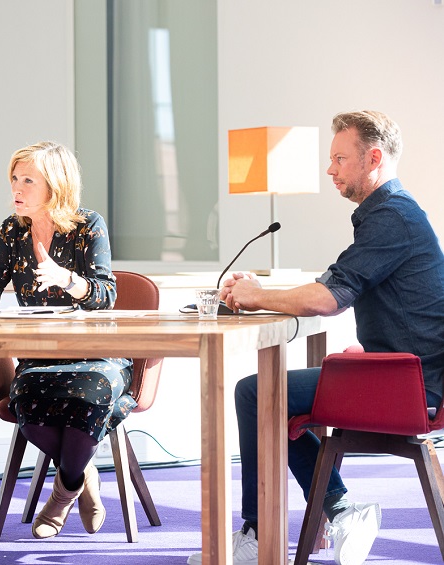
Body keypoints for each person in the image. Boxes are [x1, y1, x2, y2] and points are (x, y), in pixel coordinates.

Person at [189, 110, 444, 565]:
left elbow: (329, 299)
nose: (330, 169)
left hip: (409, 386)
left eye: (340, 159)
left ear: (373, 159)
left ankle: (262, 535)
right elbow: (334, 285)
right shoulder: (389, 213)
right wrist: (261, 292)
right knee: (265, 396)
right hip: (404, 375)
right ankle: (340, 510)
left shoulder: (393, 217)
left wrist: (256, 297)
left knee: (255, 394)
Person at [0, 141, 134, 538]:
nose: (16, 187)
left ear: (56, 184)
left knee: (90, 396)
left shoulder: (88, 226)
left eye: (28, 180)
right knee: (27, 404)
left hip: (97, 356)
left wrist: (68, 279)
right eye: (15, 178)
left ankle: (62, 496)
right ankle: (82, 473)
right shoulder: (12, 231)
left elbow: (106, 296)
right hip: (41, 358)